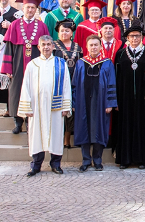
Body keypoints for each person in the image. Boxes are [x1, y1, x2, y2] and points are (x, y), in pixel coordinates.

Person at [0, 0, 49, 134]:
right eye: (27, 7)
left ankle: (31, 121)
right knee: (16, 92)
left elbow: (47, 49)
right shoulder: (14, 25)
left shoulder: (42, 26)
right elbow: (9, 49)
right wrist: (7, 68)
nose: (30, 10)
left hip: (36, 63)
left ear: (36, 9)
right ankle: (18, 122)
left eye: (33, 8)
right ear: (23, 8)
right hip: (18, 63)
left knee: (34, 92)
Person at [18, 36, 71, 177]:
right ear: (39, 47)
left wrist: (66, 105)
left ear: (53, 47)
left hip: (56, 106)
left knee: (56, 134)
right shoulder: (33, 65)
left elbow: (66, 85)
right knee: (36, 135)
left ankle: (55, 164)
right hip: (37, 107)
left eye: (49, 44)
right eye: (43, 45)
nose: (46, 47)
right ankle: (36, 165)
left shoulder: (61, 63)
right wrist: (27, 107)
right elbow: (26, 87)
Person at [72, 35, 118, 172]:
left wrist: (110, 103)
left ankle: (97, 160)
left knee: (99, 130)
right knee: (84, 130)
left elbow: (112, 84)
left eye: (96, 45)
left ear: (100, 46)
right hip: (83, 103)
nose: (93, 47)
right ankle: (86, 160)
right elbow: (74, 84)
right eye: (91, 45)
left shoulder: (107, 63)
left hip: (101, 103)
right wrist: (74, 103)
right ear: (86, 47)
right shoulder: (80, 63)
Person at [113, 23, 145, 169]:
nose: (134, 38)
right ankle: (125, 159)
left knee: (141, 126)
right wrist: (115, 99)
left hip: (142, 98)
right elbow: (116, 77)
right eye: (131, 36)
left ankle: (142, 159)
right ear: (127, 38)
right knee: (125, 126)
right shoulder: (120, 54)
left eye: (137, 36)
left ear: (142, 37)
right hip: (124, 97)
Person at [52, 19, 81, 149]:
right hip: (57, 83)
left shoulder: (77, 47)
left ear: (71, 33)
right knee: (58, 110)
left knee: (71, 110)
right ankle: (56, 137)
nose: (64, 33)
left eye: (67, 30)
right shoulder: (53, 46)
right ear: (58, 32)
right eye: (62, 30)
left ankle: (67, 139)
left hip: (74, 82)